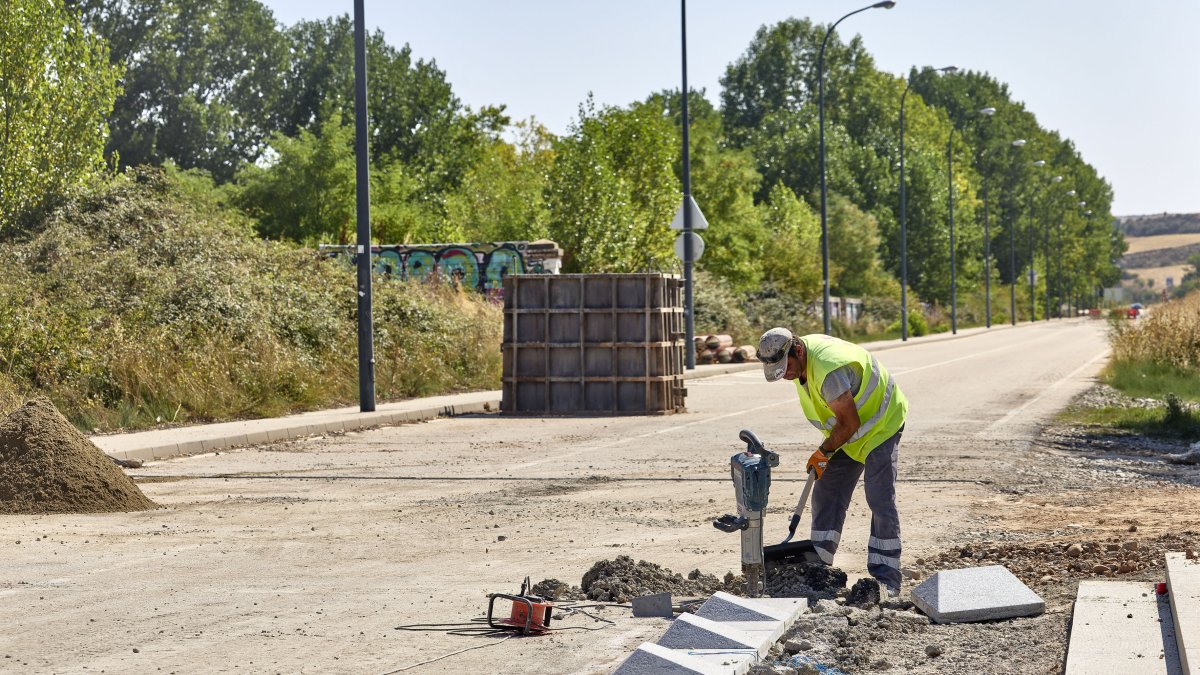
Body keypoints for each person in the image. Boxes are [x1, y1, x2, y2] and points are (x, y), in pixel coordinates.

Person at [757, 327, 908, 595]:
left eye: (787, 365)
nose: (785, 374)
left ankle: (887, 579)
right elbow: (843, 423)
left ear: (798, 350)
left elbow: (850, 422)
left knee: (879, 497)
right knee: (826, 489)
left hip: (880, 425)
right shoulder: (802, 362)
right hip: (848, 432)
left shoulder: (829, 372)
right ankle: (818, 563)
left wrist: (823, 452)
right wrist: (826, 452)